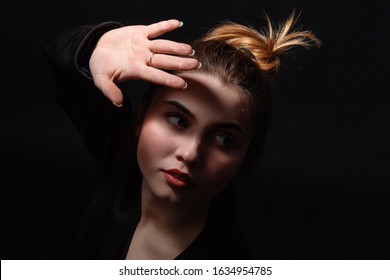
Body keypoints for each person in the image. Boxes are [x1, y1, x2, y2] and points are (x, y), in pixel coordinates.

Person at [43, 10, 320, 260]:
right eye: (178, 120)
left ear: (247, 154)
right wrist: (97, 45)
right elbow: (62, 59)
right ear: (142, 116)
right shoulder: (124, 157)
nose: (190, 154)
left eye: (224, 139)